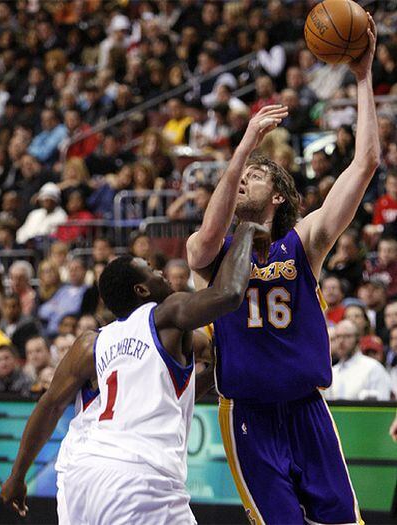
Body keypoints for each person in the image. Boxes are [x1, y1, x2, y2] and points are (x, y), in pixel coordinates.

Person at [186, 17, 379, 524]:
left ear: (276, 195)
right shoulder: (214, 250)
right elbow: (203, 241)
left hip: (307, 410)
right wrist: (244, 145)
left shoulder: (305, 241)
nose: (243, 177)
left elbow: (364, 166)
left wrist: (362, 77)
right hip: (249, 415)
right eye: (240, 174)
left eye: (254, 175)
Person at [0, 221, 263, 523]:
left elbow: (49, 406)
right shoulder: (166, 314)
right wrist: (246, 232)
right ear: (142, 289)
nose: (161, 271)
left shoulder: (91, 342)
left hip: (78, 477)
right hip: (139, 479)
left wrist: (17, 475)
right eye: (151, 269)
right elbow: (229, 294)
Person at [324, 320, 391, 401]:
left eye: (347, 336)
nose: (341, 341)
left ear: (358, 339)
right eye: (338, 337)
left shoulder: (373, 368)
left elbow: (383, 404)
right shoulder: (332, 372)